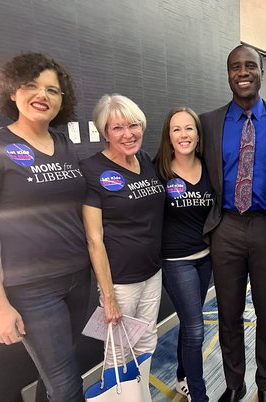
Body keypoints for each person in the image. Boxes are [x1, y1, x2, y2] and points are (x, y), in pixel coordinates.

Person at [0, 53, 90, 402]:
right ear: (12, 92)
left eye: (53, 90)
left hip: (78, 279)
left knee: (57, 376)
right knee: (67, 386)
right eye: (31, 86)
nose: (43, 95)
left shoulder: (65, 143)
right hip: (33, 290)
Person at [200, 44, 266, 402]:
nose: (243, 72)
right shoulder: (208, 122)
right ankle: (234, 383)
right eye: (235, 67)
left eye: (250, 66)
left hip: (265, 228)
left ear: (261, 72)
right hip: (225, 226)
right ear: (228, 74)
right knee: (228, 312)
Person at [80, 94, 165, 399]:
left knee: (147, 342)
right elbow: (94, 239)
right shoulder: (91, 170)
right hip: (120, 282)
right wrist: (109, 297)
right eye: (117, 128)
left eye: (133, 125)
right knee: (117, 352)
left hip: (152, 273)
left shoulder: (144, 160)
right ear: (104, 132)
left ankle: (138, 396)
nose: (128, 134)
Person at [154, 107, 215, 402]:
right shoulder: (159, 171)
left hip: (205, 258)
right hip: (176, 262)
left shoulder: (208, 167)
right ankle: (199, 395)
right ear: (168, 135)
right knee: (195, 328)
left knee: (190, 321)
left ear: (197, 134)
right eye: (176, 129)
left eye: (189, 128)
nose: (183, 135)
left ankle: (182, 377)